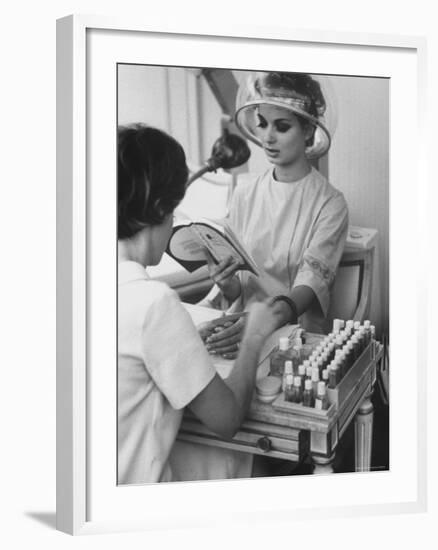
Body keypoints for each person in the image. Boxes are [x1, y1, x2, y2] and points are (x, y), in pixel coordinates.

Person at [117, 123, 279, 485]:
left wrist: (186, 336)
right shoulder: (153, 303)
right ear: (160, 208)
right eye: (173, 209)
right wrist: (254, 335)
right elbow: (226, 419)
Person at [203, 71, 349, 358]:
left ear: (308, 130)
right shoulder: (245, 193)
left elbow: (310, 285)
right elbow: (239, 288)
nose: (267, 137)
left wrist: (261, 323)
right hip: (240, 330)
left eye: (282, 126)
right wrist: (226, 282)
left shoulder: (330, 204)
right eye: (262, 124)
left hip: (293, 338)